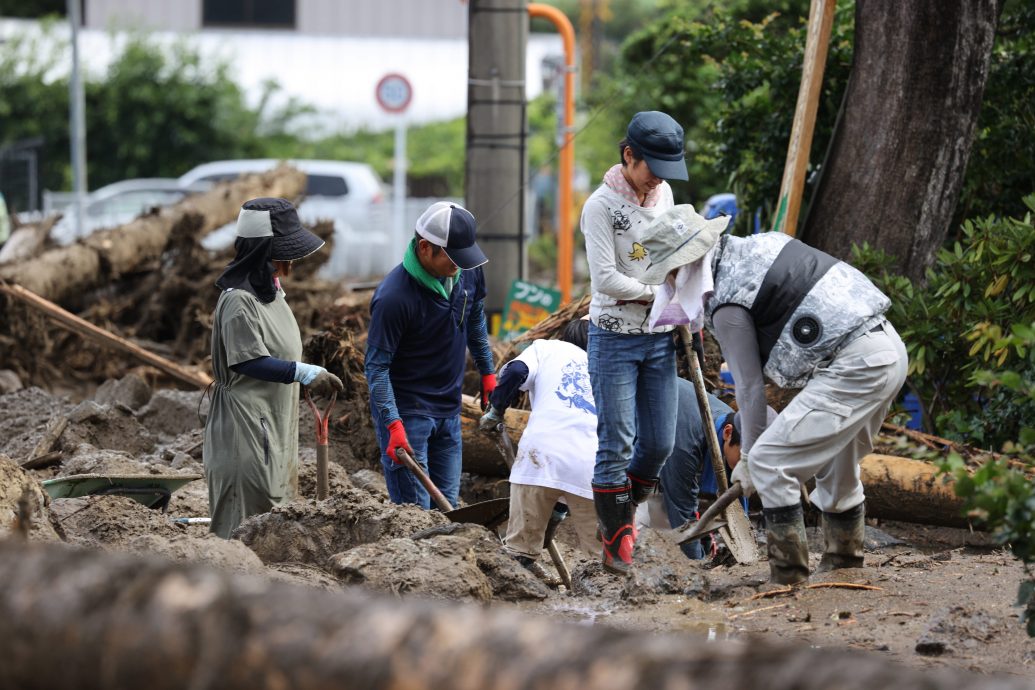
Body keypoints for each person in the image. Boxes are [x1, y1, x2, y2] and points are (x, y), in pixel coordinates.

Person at [707, 231, 908, 585]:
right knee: (838, 462)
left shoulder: (727, 302)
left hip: (856, 364)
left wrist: (750, 458)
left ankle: (787, 577)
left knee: (770, 462)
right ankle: (844, 561)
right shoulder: (755, 250)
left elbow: (750, 387)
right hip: (888, 348)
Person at [582, 110, 734, 574]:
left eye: (667, 171)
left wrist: (689, 302)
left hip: (659, 337)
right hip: (614, 339)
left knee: (660, 444)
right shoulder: (600, 207)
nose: (659, 180)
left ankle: (622, 513)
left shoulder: (663, 193)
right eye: (653, 168)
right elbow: (606, 280)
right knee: (617, 443)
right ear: (630, 155)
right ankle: (617, 546)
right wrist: (660, 295)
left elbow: (676, 251)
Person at [205, 197, 344, 539]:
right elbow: (247, 360)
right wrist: (303, 372)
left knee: (272, 523)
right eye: (285, 252)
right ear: (264, 252)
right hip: (246, 428)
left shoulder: (272, 295)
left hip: (274, 425)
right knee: (244, 526)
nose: (292, 261)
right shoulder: (239, 301)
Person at [365, 201, 496, 509]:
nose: (460, 265)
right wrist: (392, 424)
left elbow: (475, 319)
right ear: (425, 248)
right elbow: (376, 368)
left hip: (449, 409)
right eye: (453, 257)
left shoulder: (467, 272)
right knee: (416, 514)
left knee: (448, 510)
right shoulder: (394, 297)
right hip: (408, 416)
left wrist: (488, 372)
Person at [479, 318, 600, 573]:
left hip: (539, 458)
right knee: (603, 565)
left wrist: (496, 410)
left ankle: (517, 585)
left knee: (517, 555)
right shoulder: (610, 365)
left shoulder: (546, 348)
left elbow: (515, 372)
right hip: (593, 467)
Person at [659, 381, 776, 559]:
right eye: (746, 458)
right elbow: (681, 509)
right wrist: (697, 565)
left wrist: (743, 543)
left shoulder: (731, 423)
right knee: (658, 520)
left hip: (680, 417)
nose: (750, 468)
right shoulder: (686, 443)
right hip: (644, 419)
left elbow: (735, 496)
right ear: (728, 433)